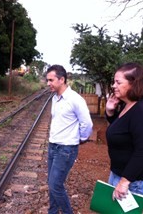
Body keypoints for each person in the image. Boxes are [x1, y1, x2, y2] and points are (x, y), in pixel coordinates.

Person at [105, 62, 143, 201]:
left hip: (136, 180)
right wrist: (110, 113)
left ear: (133, 84)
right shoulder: (128, 105)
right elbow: (123, 132)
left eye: (118, 82)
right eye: (114, 82)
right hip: (120, 173)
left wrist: (124, 181)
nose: (113, 86)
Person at [46, 64, 93, 214]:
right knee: (51, 183)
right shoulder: (55, 98)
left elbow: (87, 123)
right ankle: (52, 211)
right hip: (53, 146)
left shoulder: (75, 99)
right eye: (47, 80)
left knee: (55, 185)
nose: (48, 83)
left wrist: (81, 138)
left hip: (66, 149)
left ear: (61, 79)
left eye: (51, 80)